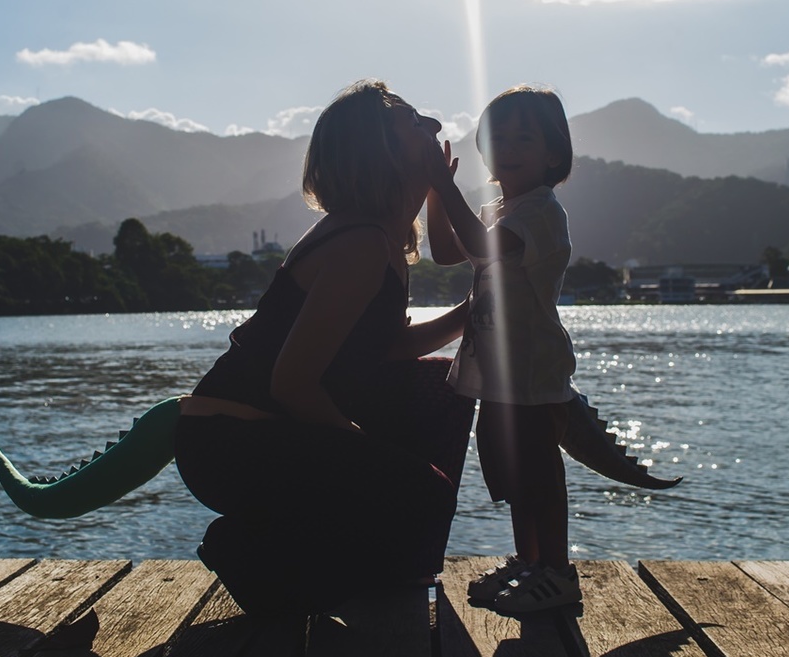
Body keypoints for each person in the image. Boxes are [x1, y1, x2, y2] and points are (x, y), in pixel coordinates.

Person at [174, 79, 475, 616]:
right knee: (421, 493)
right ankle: (246, 550)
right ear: (380, 149)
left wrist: (470, 313)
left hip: (271, 429)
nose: (433, 126)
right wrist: (363, 447)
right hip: (230, 440)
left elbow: (387, 348)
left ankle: (398, 569)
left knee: (443, 383)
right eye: (413, 121)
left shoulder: (382, 236)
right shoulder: (360, 243)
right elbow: (291, 383)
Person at [425, 84, 582, 614]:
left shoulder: (540, 212)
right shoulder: (498, 209)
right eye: (498, 139)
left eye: (524, 138)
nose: (508, 148)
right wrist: (436, 193)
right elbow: (446, 251)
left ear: (553, 154)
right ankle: (530, 562)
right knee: (514, 476)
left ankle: (557, 573)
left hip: (532, 372)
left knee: (539, 474)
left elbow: (481, 247)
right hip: (496, 373)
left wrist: (444, 189)